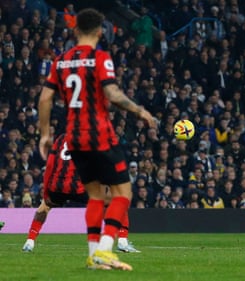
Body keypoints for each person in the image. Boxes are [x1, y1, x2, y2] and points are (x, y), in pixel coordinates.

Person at [38, 8, 155, 270]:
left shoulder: (61, 61)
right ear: (101, 31)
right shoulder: (100, 58)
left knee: (94, 196)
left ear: (75, 29)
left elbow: (45, 98)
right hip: (100, 136)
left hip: (74, 138)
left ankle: (93, 257)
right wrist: (140, 110)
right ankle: (105, 249)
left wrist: (45, 134)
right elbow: (112, 94)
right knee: (122, 194)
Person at [22, 134, 140, 254]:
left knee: (44, 206)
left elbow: (50, 165)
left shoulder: (60, 139)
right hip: (79, 186)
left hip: (57, 185)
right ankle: (122, 241)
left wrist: (47, 191)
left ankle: (30, 242)